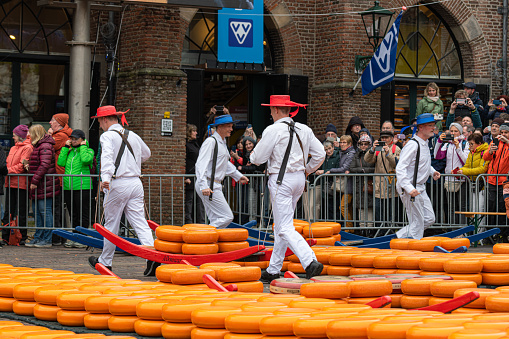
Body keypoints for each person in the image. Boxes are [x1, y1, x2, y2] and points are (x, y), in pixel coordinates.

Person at [250, 95, 325, 282]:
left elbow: (257, 158)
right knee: (282, 226)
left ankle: (310, 261)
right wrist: (306, 170)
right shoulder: (304, 129)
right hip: (299, 179)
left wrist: (254, 156)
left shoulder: (273, 130)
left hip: (280, 181)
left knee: (283, 226)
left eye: (270, 109)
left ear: (276, 110)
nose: (270, 112)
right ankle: (274, 269)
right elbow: (320, 154)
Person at [87, 106, 156, 275]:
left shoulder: (107, 136)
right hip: (135, 182)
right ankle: (153, 256)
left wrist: (105, 179)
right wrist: (130, 162)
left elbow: (107, 158)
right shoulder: (133, 135)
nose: (100, 125)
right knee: (140, 222)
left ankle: (105, 261)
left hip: (117, 183)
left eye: (99, 121)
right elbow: (147, 154)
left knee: (111, 224)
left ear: (104, 120)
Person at [195, 114, 249, 229]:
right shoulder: (211, 142)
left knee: (216, 218)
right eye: (229, 126)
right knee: (227, 216)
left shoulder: (222, 143)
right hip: (209, 184)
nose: (231, 129)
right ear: (220, 127)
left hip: (213, 184)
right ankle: (203, 235)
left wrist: (237, 176)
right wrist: (204, 185)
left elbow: (225, 163)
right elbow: (201, 164)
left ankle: (211, 243)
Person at [396, 113, 441, 239]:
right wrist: (409, 188)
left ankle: (399, 237)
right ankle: (408, 245)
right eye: (430, 125)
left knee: (429, 218)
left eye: (434, 125)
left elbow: (421, 162)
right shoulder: (413, 145)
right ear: (420, 127)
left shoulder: (424, 143)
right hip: (410, 187)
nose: (433, 128)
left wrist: (432, 172)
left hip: (419, 187)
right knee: (418, 222)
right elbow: (400, 168)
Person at [57, 129, 95, 248]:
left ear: (82, 140)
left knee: (82, 213)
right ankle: (75, 237)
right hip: (69, 187)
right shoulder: (70, 152)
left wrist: (83, 147)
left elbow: (85, 160)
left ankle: (82, 238)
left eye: (76, 139)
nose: (73, 141)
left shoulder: (88, 151)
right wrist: (64, 147)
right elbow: (60, 162)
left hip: (83, 187)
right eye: (72, 139)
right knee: (73, 213)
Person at [26, 124, 60, 248]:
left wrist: (34, 180)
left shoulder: (45, 146)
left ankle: (46, 239)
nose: (28, 135)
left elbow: (44, 165)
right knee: (37, 212)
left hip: (45, 184)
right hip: (42, 184)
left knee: (44, 212)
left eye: (30, 133)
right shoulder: (40, 145)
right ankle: (39, 237)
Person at [1, 125, 32, 246]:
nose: (13, 136)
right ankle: (6, 236)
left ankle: (22, 236)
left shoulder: (27, 147)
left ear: (20, 135)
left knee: (21, 211)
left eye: (14, 134)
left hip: (20, 183)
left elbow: (21, 166)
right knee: (8, 211)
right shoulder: (13, 148)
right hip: (10, 182)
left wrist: (7, 170)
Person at [434, 122, 470, 224]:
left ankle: (463, 231)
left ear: (460, 132)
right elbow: (437, 156)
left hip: (462, 179)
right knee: (451, 207)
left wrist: (458, 147)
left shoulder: (465, 144)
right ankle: (453, 231)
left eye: (456, 131)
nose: (453, 133)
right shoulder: (447, 144)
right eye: (452, 131)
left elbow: (465, 161)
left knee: (462, 207)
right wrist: (439, 141)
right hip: (449, 179)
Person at [365, 130, 401, 228]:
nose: (384, 139)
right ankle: (380, 231)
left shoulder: (395, 149)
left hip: (391, 187)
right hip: (378, 187)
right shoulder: (377, 149)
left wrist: (388, 153)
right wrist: (372, 149)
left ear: (391, 139)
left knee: (391, 212)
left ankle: (391, 230)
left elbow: (397, 164)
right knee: (378, 212)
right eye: (382, 138)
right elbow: (367, 160)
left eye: (386, 138)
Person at [49, 113, 72, 245]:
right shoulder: (62, 135)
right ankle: (61, 236)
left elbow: (48, 146)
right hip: (59, 175)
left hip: (59, 176)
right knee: (59, 207)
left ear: (58, 122)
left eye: (52, 120)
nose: (50, 123)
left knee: (57, 207)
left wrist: (49, 135)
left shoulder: (60, 136)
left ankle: (58, 237)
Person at [483, 122, 509, 241]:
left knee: (503, 209)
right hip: (492, 180)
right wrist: (490, 151)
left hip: (504, 182)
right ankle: (488, 235)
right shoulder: (494, 142)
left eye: (506, 133)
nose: (503, 135)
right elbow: (485, 157)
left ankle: (502, 234)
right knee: (490, 208)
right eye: (501, 132)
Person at [458, 133, 489, 224]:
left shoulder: (485, 152)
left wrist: (465, 172)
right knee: (473, 209)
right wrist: (458, 170)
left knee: (479, 210)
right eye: (469, 144)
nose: (470, 146)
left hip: (482, 185)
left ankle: (480, 235)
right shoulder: (472, 153)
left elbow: (482, 169)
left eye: (472, 144)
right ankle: (475, 233)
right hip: (473, 184)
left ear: (479, 143)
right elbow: (467, 165)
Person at [349, 135, 375, 231]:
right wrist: (363, 170)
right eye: (362, 144)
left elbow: (374, 168)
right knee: (361, 209)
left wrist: (363, 170)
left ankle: (370, 229)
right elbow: (352, 168)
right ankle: (362, 229)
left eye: (366, 144)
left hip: (369, 184)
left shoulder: (372, 154)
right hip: (359, 185)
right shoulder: (356, 155)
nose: (364, 146)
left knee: (370, 209)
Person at [330, 135, 356, 229]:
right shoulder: (342, 152)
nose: (342, 144)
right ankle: (350, 228)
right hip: (345, 184)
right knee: (347, 207)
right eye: (341, 142)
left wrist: (331, 170)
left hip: (349, 184)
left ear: (349, 144)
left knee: (343, 206)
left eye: (344, 142)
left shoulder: (351, 153)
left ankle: (350, 228)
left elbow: (345, 168)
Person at [314, 140, 340, 220]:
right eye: (326, 149)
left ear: (333, 147)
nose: (328, 151)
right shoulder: (323, 158)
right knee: (326, 208)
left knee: (334, 208)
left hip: (334, 186)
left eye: (330, 148)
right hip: (324, 186)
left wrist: (324, 172)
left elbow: (337, 169)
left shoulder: (337, 156)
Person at [184, 124, 205, 224]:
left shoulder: (196, 144)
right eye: (194, 131)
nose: (196, 133)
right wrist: (185, 176)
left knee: (199, 201)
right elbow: (183, 162)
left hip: (197, 176)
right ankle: (189, 222)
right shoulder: (186, 146)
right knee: (189, 201)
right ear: (189, 132)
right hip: (190, 176)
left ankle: (200, 222)